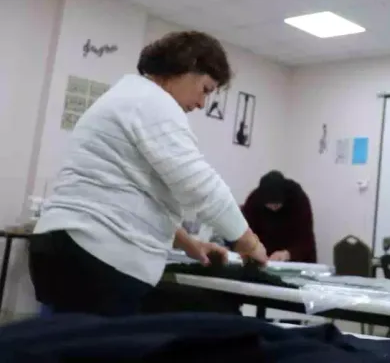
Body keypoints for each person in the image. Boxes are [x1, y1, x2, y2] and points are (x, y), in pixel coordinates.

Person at [29, 31, 268, 317]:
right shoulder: (152, 102)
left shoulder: (127, 97)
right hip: (98, 256)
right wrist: (248, 242)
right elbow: (200, 185)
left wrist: (187, 243)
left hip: (67, 245)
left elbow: (134, 187)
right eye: (205, 89)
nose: (203, 104)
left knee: (60, 344)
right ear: (187, 66)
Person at [242, 171, 317, 263]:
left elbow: (306, 239)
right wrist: (253, 249)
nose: (273, 208)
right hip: (265, 259)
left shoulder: (298, 199)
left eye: (277, 204)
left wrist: (288, 254)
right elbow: (247, 233)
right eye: (269, 205)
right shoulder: (253, 201)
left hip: (297, 260)